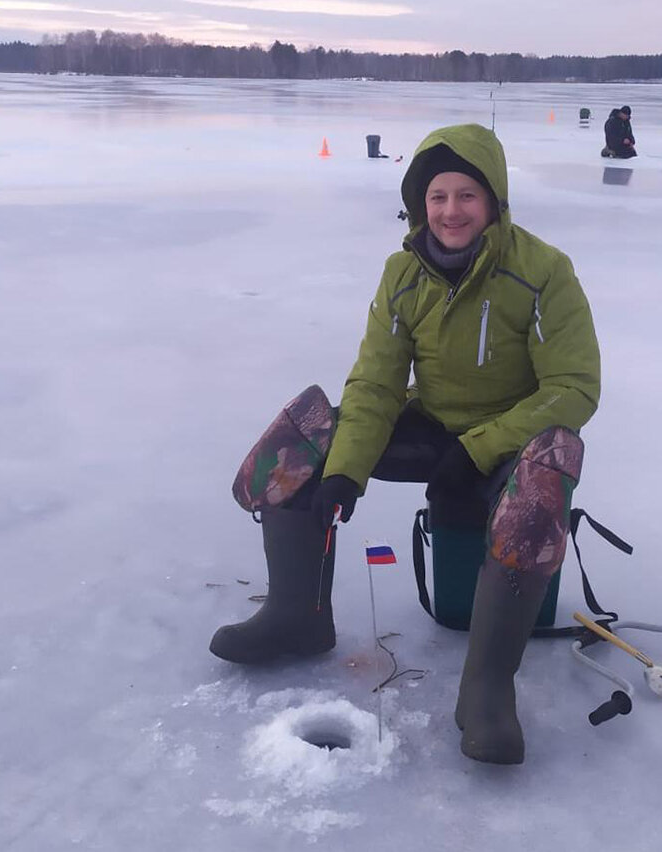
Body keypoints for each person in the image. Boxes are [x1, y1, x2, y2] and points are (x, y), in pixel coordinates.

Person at [211, 124, 601, 766]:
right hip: (429, 424)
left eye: (467, 195)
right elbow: (374, 383)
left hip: (510, 440)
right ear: (421, 204)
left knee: (551, 464)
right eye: (438, 196)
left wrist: (476, 451)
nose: (452, 211)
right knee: (305, 433)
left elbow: (573, 388)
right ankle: (296, 615)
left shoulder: (544, 273)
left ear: (495, 201)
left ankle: (485, 689)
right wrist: (344, 473)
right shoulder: (402, 273)